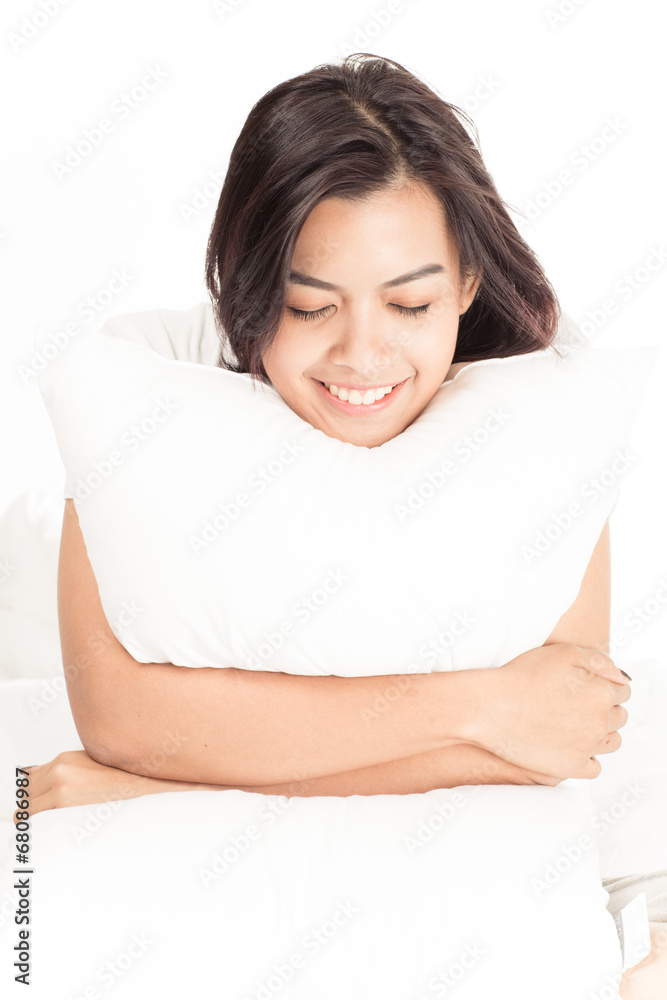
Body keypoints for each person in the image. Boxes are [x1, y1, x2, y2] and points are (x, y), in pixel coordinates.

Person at [22, 53, 666, 996]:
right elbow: (119, 715)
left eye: (409, 303)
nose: (362, 354)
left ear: (466, 284)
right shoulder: (151, 412)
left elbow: (559, 733)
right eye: (308, 306)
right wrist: (478, 707)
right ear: (248, 291)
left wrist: (160, 775)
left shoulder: (537, 422)